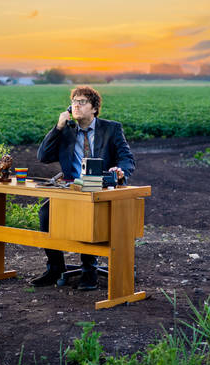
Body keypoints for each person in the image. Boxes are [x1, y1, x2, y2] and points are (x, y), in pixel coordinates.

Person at [32, 85, 135, 290]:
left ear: (94, 108)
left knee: (90, 215)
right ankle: (55, 268)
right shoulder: (65, 131)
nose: (76, 106)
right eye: (74, 102)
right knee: (46, 213)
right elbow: (43, 156)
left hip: (100, 189)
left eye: (82, 102)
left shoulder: (111, 129)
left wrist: (121, 170)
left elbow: (127, 158)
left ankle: (89, 270)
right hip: (73, 189)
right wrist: (58, 127)